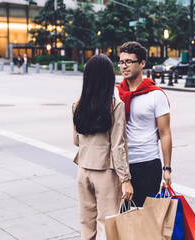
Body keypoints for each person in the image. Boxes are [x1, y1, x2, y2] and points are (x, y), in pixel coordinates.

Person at [73, 54, 133, 240]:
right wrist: (126, 179)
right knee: (106, 225)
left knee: (87, 223)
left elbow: (76, 140)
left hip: (83, 170)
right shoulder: (115, 106)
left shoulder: (78, 105)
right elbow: (118, 146)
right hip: (106, 172)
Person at [116, 41, 172, 207]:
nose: (124, 66)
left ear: (142, 64)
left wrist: (167, 169)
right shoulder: (116, 93)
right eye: (121, 62)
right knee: (122, 220)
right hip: (122, 166)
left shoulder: (155, 95)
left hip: (147, 164)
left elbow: (165, 133)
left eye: (129, 62)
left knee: (145, 221)